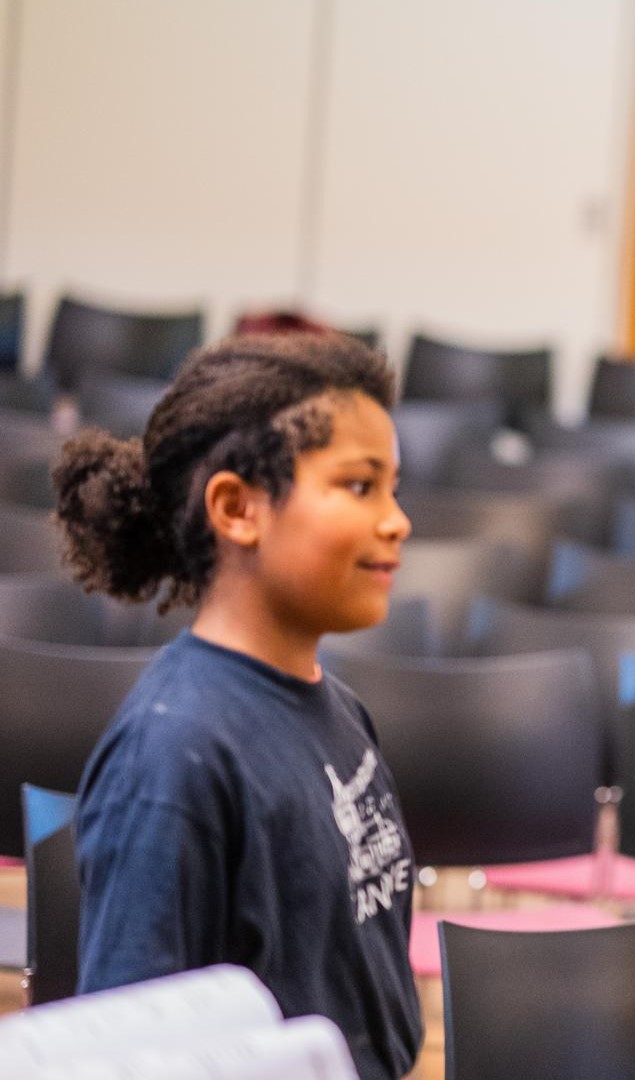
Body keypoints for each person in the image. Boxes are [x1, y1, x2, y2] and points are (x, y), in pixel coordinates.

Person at [53, 333, 421, 1080]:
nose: (396, 520)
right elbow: (129, 1053)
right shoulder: (171, 757)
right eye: (359, 486)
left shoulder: (342, 710)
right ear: (237, 508)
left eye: (394, 487)